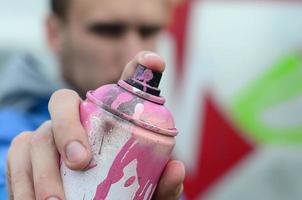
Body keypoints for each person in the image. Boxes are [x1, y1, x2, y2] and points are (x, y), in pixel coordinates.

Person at [0, 0, 185, 199]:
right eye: (108, 31)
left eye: (148, 31)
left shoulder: (153, 140)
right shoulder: (10, 134)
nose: (133, 52)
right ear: (54, 33)